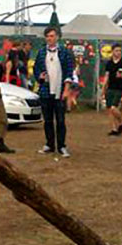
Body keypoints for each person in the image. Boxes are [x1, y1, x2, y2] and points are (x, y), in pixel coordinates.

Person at [33, 27, 74, 158]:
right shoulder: (41, 52)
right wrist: (40, 76)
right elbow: (36, 69)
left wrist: (66, 90)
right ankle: (49, 144)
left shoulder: (64, 52)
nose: (50, 38)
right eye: (47, 36)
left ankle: (62, 146)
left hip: (60, 91)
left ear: (57, 37)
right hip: (46, 91)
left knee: (61, 120)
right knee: (48, 120)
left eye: (52, 36)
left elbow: (69, 71)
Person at [102, 44, 122, 136]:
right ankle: (114, 129)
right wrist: (103, 88)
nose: (118, 52)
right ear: (113, 51)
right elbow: (107, 76)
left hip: (119, 88)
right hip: (110, 88)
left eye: (120, 51)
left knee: (114, 108)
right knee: (109, 109)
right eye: (117, 50)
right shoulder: (109, 63)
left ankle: (121, 123)